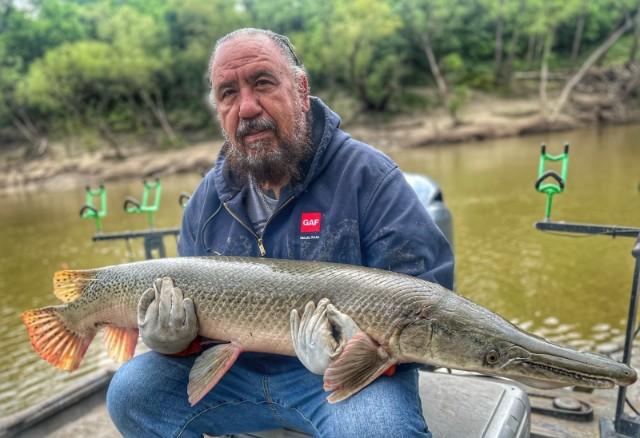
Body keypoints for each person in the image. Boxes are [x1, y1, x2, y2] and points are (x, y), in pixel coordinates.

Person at [106, 28, 454, 437]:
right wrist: (173, 341)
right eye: (228, 93)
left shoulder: (369, 177)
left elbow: (426, 307)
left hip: (340, 378)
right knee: (130, 393)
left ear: (301, 91)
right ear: (219, 109)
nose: (247, 107)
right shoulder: (205, 202)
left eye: (263, 83)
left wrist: (353, 352)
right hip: (235, 374)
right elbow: (192, 335)